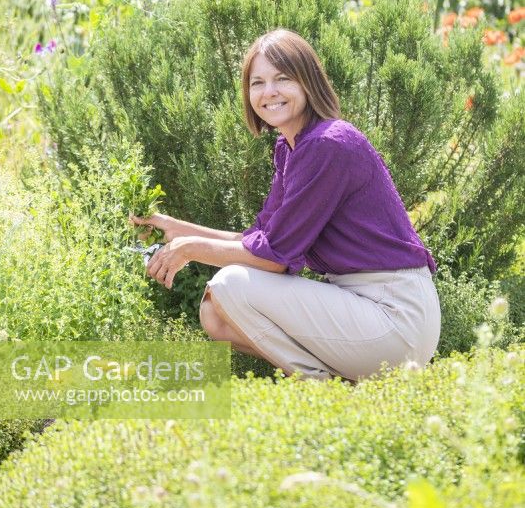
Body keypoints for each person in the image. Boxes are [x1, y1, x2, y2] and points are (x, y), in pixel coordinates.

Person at [129, 29, 441, 382]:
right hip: (362, 307)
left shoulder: (328, 145)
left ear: (308, 83)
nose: (268, 92)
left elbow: (273, 260)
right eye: (257, 82)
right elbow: (262, 239)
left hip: (394, 316)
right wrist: (178, 230)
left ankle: (322, 387)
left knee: (230, 285)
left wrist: (192, 249)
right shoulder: (292, 147)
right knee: (215, 315)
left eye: (282, 79)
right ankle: (339, 384)